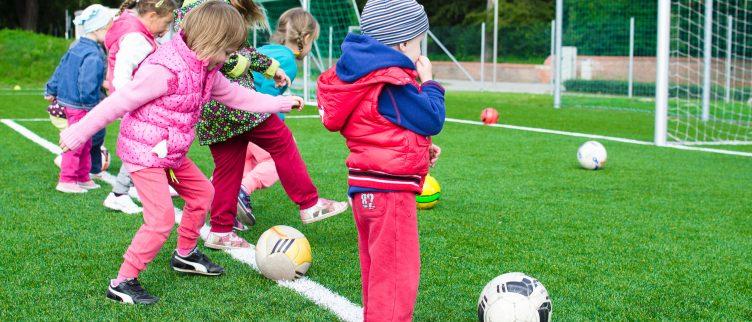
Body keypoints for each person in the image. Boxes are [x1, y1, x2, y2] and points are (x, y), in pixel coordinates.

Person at [58, 1, 304, 305]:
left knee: (203, 194)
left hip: (169, 152)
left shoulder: (207, 68)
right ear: (210, 42)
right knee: (160, 219)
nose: (230, 59)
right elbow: (118, 102)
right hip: (145, 153)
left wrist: (278, 103)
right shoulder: (164, 69)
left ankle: (185, 255)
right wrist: (78, 132)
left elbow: (236, 96)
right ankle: (122, 282)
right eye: (228, 52)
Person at [176, 1, 347, 251]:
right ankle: (309, 204)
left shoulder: (193, 9)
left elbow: (241, 50)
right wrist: (267, 83)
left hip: (211, 109)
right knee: (282, 142)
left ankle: (221, 230)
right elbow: (228, 57)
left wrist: (271, 69)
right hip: (234, 103)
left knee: (228, 167)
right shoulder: (212, 8)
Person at [316, 0, 445, 320]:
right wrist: (429, 83)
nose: (419, 52)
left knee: (378, 273)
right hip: (390, 193)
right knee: (397, 278)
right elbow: (431, 118)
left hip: (366, 188)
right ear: (402, 42)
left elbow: (381, 127)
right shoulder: (389, 80)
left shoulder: (363, 75)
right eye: (417, 43)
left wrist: (420, 149)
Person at [233, 8, 321, 230]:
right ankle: (243, 190)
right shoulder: (288, 61)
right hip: (258, 121)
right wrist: (282, 103)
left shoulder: (262, 49)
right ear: (307, 38)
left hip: (236, 118)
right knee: (277, 160)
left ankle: (229, 205)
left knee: (244, 162)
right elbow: (265, 92)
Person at [101, 0, 178, 215]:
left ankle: (152, 185)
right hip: (136, 103)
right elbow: (122, 74)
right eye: (166, 23)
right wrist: (130, 101)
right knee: (143, 147)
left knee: (153, 144)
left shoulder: (135, 30)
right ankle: (118, 194)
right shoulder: (137, 39)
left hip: (135, 101)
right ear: (152, 16)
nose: (165, 31)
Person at [45, 4, 114, 194]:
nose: (110, 33)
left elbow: (60, 68)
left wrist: (51, 88)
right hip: (81, 105)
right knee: (77, 142)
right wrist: (92, 107)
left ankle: (83, 177)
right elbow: (87, 83)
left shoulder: (76, 46)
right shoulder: (93, 54)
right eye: (109, 29)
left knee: (86, 141)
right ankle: (67, 180)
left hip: (72, 102)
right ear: (98, 29)